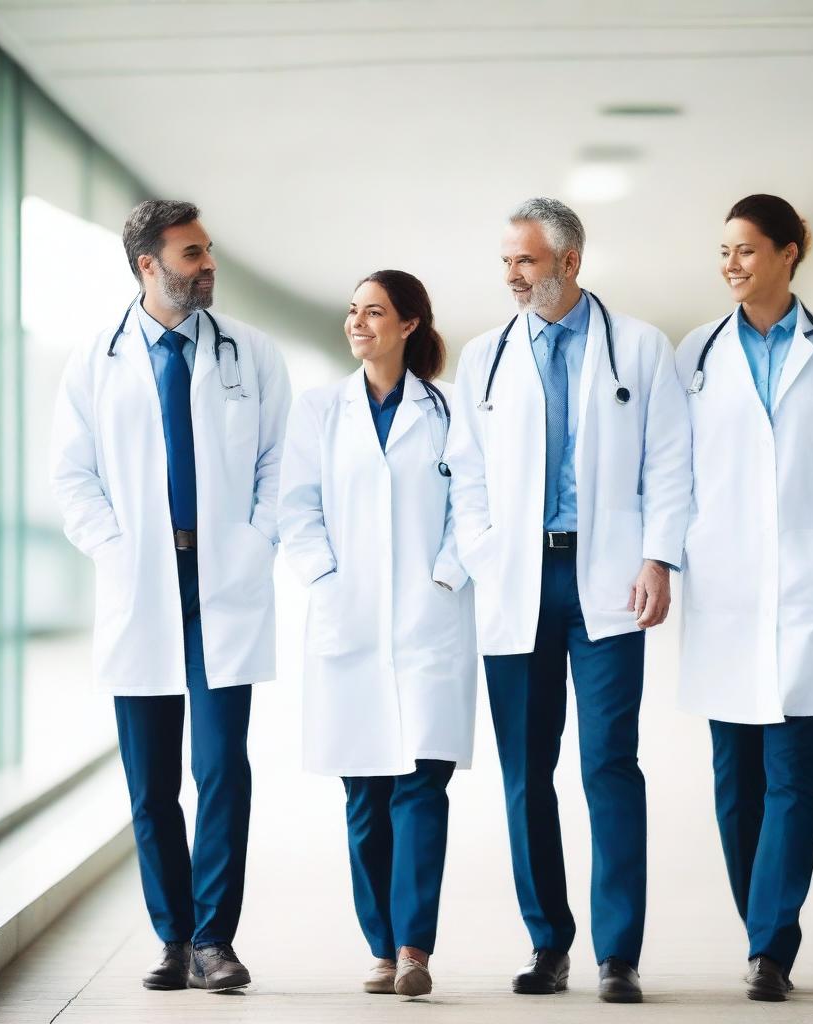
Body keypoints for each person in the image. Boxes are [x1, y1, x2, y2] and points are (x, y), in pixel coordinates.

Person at [447, 198, 692, 1003]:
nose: (514, 276)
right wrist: (484, 550)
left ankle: (618, 953)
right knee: (526, 773)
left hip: (609, 581)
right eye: (507, 263)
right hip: (519, 580)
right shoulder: (484, 356)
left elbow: (668, 463)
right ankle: (548, 943)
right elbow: (468, 472)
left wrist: (658, 557)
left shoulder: (641, 348)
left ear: (569, 263)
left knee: (610, 765)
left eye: (527, 261)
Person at [50, 200, 291, 993]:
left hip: (222, 583)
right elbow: (73, 479)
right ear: (149, 265)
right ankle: (171, 934)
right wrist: (120, 555)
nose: (207, 264)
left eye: (209, 250)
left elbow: (278, 465)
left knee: (224, 768)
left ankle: (214, 939)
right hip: (139, 589)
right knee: (151, 782)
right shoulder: (94, 361)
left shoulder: (250, 355)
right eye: (192, 254)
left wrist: (254, 543)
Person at [676, 194, 813, 1001]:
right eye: (724, 251)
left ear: (789, 253)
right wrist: (685, 546)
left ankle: (771, 947)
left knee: (795, 772)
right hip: (727, 591)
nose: (730, 264)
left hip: (810, 589)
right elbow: (674, 466)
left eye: (745, 250)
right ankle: (761, 927)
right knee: (737, 781)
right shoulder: (694, 355)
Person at [278, 270, 476, 998]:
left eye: (374, 312)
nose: (358, 323)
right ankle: (381, 948)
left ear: (410, 324)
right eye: (353, 312)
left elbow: (473, 502)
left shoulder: (450, 412)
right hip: (350, 620)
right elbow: (296, 509)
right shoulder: (320, 410)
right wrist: (327, 580)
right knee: (365, 796)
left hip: (429, 619)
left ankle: (415, 946)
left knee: (421, 787)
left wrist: (447, 574)